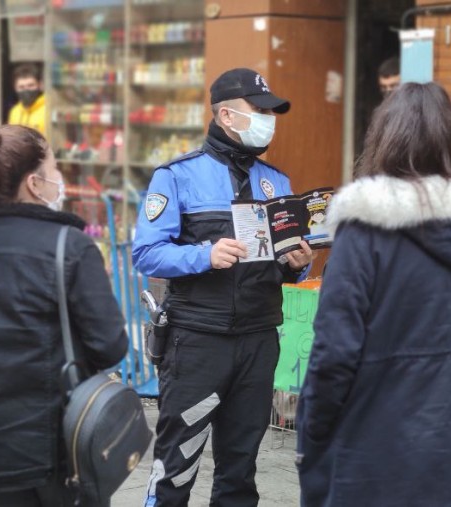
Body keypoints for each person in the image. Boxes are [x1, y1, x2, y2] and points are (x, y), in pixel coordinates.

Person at [296, 83, 451, 506]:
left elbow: (334, 353)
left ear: (382, 138)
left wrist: (313, 442)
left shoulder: (363, 230)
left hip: (381, 452)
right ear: (450, 140)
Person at [134, 68, 314, 507]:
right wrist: (203, 255)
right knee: (176, 467)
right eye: (261, 111)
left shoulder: (278, 182)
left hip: (258, 339)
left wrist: (298, 266)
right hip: (197, 341)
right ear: (228, 115)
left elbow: (286, 263)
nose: (269, 121)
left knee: (240, 471)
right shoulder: (178, 176)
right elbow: (145, 253)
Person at [0, 124, 129, 507]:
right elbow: (110, 346)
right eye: (55, 170)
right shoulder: (69, 245)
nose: (60, 179)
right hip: (60, 446)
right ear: (34, 183)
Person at [7, 64, 47, 134]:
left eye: (30, 85)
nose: (26, 90)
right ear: (15, 88)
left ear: (40, 85)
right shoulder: (15, 111)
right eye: (21, 87)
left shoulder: (48, 110)